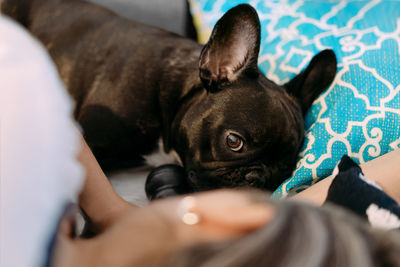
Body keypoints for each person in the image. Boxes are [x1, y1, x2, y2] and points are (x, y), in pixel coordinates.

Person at [2, 14, 400, 267]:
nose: (249, 183)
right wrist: (107, 210)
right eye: (236, 144)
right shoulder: (122, 101)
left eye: (267, 179)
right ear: (216, 69)